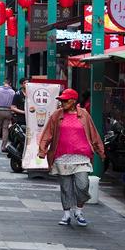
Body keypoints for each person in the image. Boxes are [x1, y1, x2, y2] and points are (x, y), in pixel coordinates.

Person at [37, 88, 105, 228]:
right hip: (62, 157)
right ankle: (67, 214)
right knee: (66, 187)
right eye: (61, 101)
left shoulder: (84, 115)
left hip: (81, 157)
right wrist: (42, 151)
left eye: (65, 100)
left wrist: (100, 151)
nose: (62, 103)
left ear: (73, 101)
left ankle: (79, 211)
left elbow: (93, 133)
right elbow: (47, 134)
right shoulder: (57, 115)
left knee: (83, 185)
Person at [0, 77, 15, 153]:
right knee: (5, 129)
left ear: (4, 83)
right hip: (8, 111)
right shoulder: (12, 92)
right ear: (10, 84)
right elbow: (14, 104)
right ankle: (3, 147)